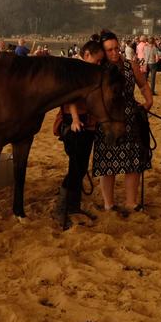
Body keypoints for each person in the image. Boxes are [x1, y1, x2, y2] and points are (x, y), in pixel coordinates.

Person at [93, 30, 153, 214]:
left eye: (116, 48)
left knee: (133, 161)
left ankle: (131, 202)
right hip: (106, 121)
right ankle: (109, 204)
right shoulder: (98, 69)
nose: (114, 53)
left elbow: (143, 85)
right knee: (107, 164)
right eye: (109, 50)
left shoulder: (130, 65)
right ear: (103, 51)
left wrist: (149, 101)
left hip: (130, 117)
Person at [55, 40, 104, 229]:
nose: (98, 65)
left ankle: (73, 206)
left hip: (88, 121)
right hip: (73, 121)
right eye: (97, 61)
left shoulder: (88, 71)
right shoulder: (75, 70)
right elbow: (70, 97)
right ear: (87, 55)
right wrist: (75, 119)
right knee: (75, 167)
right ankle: (62, 210)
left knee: (81, 166)